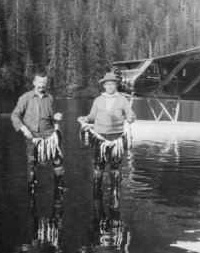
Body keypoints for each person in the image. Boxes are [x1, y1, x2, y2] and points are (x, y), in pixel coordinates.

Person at [78, 72, 135, 210]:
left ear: (116, 85)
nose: (110, 86)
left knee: (115, 165)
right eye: (108, 84)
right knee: (98, 165)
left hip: (116, 137)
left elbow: (129, 114)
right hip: (99, 137)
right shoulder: (98, 100)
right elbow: (92, 116)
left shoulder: (122, 100)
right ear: (104, 85)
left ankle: (115, 195)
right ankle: (97, 194)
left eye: (113, 83)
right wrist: (86, 118)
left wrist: (131, 117)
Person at [11, 72, 64, 203]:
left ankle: (59, 191)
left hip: (50, 137)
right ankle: (32, 192)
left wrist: (55, 117)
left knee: (58, 162)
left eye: (44, 82)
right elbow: (14, 115)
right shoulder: (26, 98)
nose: (42, 85)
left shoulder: (49, 97)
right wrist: (24, 129)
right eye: (39, 82)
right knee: (32, 164)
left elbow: (49, 116)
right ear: (34, 82)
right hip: (33, 137)